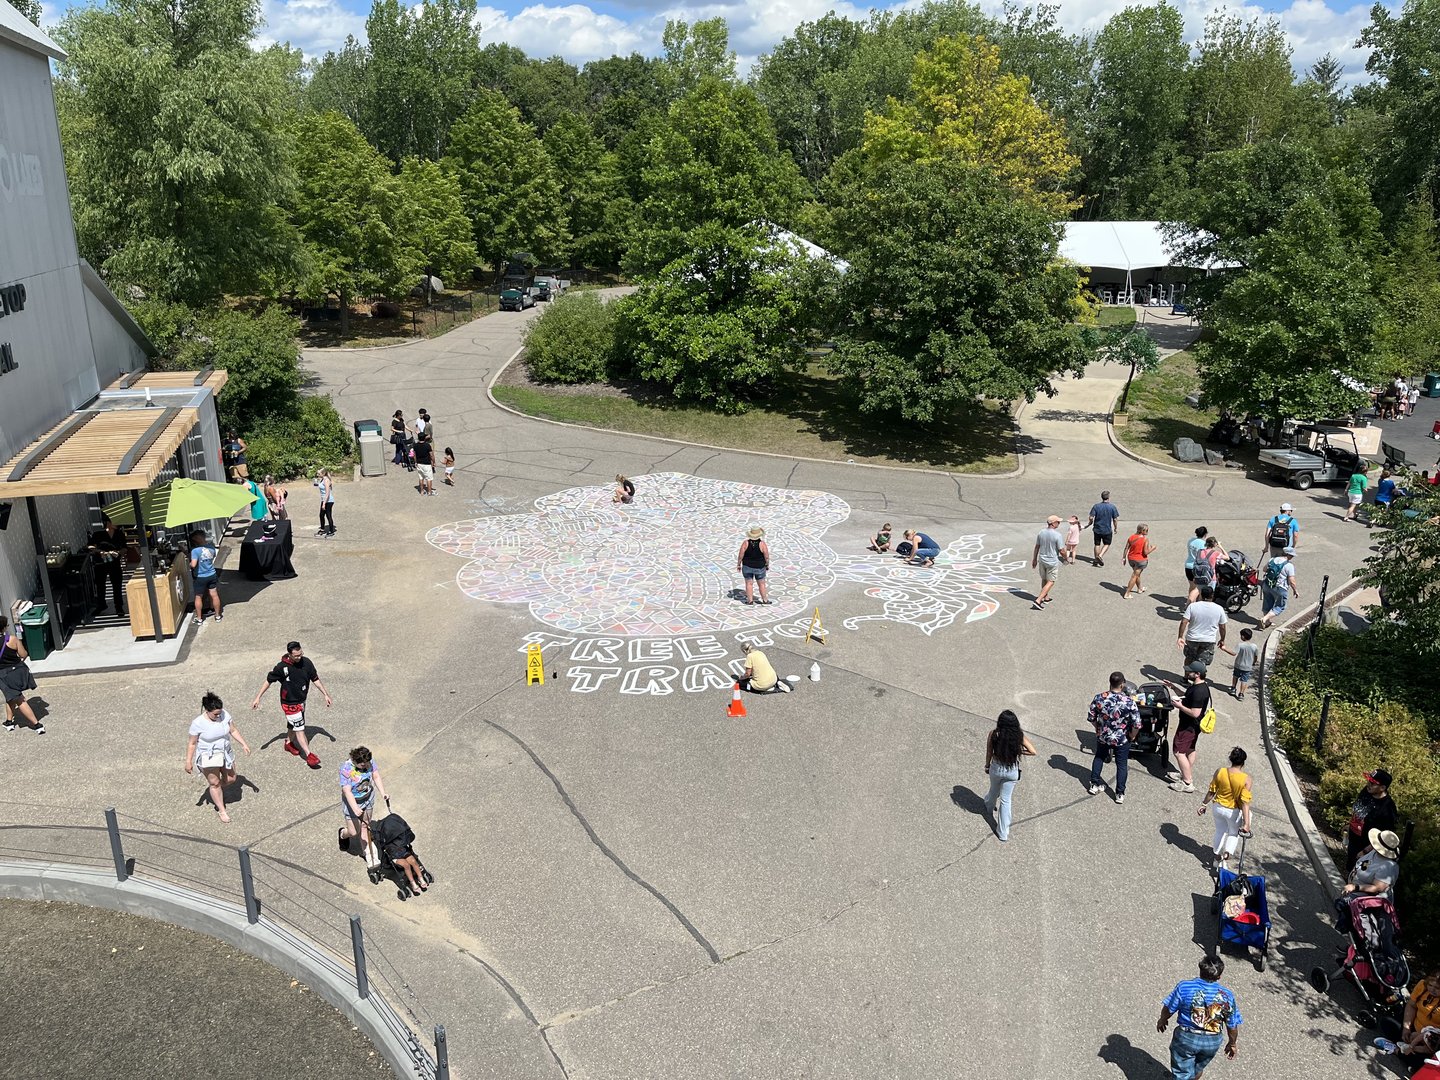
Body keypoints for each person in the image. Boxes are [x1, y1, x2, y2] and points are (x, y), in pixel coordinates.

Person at [1157, 955, 1242, 1080]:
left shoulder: (1184, 987)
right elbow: (1232, 1025)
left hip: (1186, 1038)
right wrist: (1232, 1043)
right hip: (1212, 1042)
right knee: (1197, 1069)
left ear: (1200, 970)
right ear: (1219, 976)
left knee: (1181, 1074)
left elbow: (1169, 1009)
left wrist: (1163, 1019)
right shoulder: (1227, 996)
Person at [252, 640, 332, 769]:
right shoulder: (281, 667)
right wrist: (258, 697)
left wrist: (325, 694)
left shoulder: (307, 662)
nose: (299, 657)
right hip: (289, 703)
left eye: (301, 654)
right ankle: (309, 755)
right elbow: (268, 681)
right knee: (300, 729)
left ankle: (288, 743)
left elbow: (315, 679)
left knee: (293, 724)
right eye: (296, 656)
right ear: (289, 654)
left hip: (301, 700)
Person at [184, 691, 251, 823]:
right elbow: (192, 743)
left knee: (232, 778)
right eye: (215, 714)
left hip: (225, 752)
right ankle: (221, 809)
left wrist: (243, 744)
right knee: (214, 783)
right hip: (209, 755)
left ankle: (216, 790)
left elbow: (233, 730)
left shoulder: (224, 715)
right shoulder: (198, 723)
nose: (218, 715)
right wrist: (188, 761)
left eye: (219, 713)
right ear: (207, 710)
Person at [983, 709, 1036, 842]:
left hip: (996, 767)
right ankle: (1003, 833)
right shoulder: (1019, 736)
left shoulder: (994, 734)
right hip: (1012, 770)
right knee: (1006, 800)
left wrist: (987, 766)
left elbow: (989, 752)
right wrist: (1020, 751)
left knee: (994, 790)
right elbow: (1033, 751)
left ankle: (988, 807)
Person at [1088, 671, 1140, 803]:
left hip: (1103, 736)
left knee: (1099, 757)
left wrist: (1098, 728)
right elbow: (1136, 724)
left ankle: (1094, 785)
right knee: (1121, 765)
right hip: (1122, 738)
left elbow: (1091, 717)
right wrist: (1132, 736)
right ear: (1122, 684)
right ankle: (1119, 793)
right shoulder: (1129, 702)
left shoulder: (1100, 698)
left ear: (1110, 682)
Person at [1199, 747, 1252, 867]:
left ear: (1230, 759)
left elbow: (1211, 791)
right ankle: (1226, 856)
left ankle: (1216, 857)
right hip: (1233, 811)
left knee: (1220, 831)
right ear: (1243, 762)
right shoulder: (1246, 779)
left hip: (1218, 807)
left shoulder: (1220, 771)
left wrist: (1203, 804)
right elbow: (1244, 802)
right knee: (1233, 833)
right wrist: (1246, 823)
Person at [1373, 968, 1440, 1063]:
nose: (1432, 989)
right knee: (1386, 1021)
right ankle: (1404, 1049)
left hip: (1429, 1040)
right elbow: (1411, 1005)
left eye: (1437, 988)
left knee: (1425, 1060)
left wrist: (1419, 1038)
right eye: (1430, 985)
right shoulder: (1422, 985)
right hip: (1413, 1025)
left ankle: (1398, 1050)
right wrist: (1406, 1028)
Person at [1165, 661, 1212, 793]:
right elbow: (1187, 696)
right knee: (1190, 749)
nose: (1186, 673)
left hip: (1188, 726)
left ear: (1197, 674)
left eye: (1190, 672)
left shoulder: (1199, 692)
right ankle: (1185, 773)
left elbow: (1195, 713)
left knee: (1179, 752)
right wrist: (1173, 687)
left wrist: (1179, 706)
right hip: (1194, 727)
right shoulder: (1199, 686)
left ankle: (1187, 782)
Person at [338, 746, 387, 870]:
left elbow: (376, 776)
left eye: (367, 764)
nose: (366, 766)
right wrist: (355, 808)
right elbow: (347, 791)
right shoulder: (346, 769)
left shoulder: (369, 761)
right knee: (354, 831)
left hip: (367, 799)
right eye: (362, 765)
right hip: (353, 802)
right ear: (355, 761)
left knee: (365, 826)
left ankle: (370, 856)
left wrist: (383, 793)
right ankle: (343, 834)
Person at [1344, 768, 1397, 874]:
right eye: (1369, 781)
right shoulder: (1366, 791)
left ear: (1382, 787)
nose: (1369, 784)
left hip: (1365, 848)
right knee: (1349, 867)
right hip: (1353, 839)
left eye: (1373, 783)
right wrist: (1349, 825)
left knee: (1359, 873)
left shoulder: (1387, 809)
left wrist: (1365, 851)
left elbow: (1384, 836)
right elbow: (1358, 810)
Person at [0, 616, 43, 734]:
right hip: (17, 671)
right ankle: (9, 721)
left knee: (19, 699)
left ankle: (37, 725)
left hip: (3, 676)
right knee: (11, 697)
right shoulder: (12, 639)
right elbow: (24, 654)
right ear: (4, 628)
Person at [87, 514, 129, 615]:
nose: (117, 525)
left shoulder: (120, 534)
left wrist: (119, 553)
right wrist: (101, 552)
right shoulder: (98, 534)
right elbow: (90, 547)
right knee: (100, 585)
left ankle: (119, 607)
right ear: (108, 523)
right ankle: (101, 605)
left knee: (117, 585)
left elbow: (124, 547)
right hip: (101, 563)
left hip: (114, 562)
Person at [1178, 585, 1227, 668]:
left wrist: (1180, 636)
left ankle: (1186, 677)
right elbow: (1222, 627)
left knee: (1189, 658)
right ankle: (1199, 678)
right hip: (1208, 640)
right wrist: (1222, 639)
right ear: (1212, 595)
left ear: (1200, 595)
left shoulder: (1192, 606)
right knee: (1203, 661)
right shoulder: (1219, 609)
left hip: (1192, 638)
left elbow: (1184, 622)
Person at [1344, 828, 1401, 898]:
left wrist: (1355, 887)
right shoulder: (1377, 851)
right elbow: (1371, 846)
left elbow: (1378, 888)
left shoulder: (1388, 866)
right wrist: (1364, 851)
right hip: (1353, 890)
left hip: (1363, 900)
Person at [1258, 547, 1298, 629]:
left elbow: (1264, 569)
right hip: (1280, 587)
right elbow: (1291, 580)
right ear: (1288, 555)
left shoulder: (1272, 560)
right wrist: (1295, 590)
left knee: (1267, 602)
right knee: (1280, 606)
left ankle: (1267, 622)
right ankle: (1265, 619)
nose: (1292, 557)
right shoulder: (1289, 565)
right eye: (1292, 555)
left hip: (1267, 584)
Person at [188, 529, 222, 625]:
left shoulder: (195, 550)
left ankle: (199, 618)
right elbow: (212, 557)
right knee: (214, 594)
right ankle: (218, 615)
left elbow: (193, 565)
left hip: (200, 577)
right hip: (211, 574)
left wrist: (189, 563)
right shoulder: (211, 547)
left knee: (198, 597)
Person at [1030, 516, 1064, 610]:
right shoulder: (1057, 535)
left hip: (1042, 560)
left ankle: (1046, 597)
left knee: (1044, 579)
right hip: (1052, 561)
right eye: (1058, 522)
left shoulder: (1041, 532)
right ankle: (1038, 600)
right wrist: (1066, 558)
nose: (1059, 523)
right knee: (1051, 581)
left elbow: (1037, 546)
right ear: (1053, 523)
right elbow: (1062, 550)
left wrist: (1034, 559)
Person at [1220, 628, 1258, 701]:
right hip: (1248, 667)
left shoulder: (1240, 645)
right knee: (1244, 680)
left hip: (1238, 665)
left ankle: (1233, 688)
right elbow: (1255, 656)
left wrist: (1224, 649)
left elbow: (1233, 653)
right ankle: (1241, 693)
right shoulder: (1254, 646)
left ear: (1243, 636)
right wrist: (1253, 662)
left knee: (1235, 676)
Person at [737, 525, 771, 604]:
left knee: (749, 583)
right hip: (759, 567)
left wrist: (738, 564)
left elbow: (740, 555)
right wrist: (767, 564)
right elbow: (766, 556)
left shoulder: (745, 543)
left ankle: (750, 600)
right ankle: (765, 600)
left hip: (747, 566)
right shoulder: (762, 544)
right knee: (761, 584)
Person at [1086, 490, 1121, 566]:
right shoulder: (1112, 507)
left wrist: (1090, 522)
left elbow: (1091, 517)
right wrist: (1115, 528)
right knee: (1107, 543)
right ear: (1108, 498)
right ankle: (1100, 556)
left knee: (1097, 544)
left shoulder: (1096, 506)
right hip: (1107, 529)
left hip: (1097, 528)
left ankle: (1096, 559)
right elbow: (1115, 519)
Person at [1122, 524, 1155, 600]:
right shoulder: (1145, 539)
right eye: (1146, 530)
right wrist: (1153, 548)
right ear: (1142, 531)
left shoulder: (1131, 537)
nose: (1147, 532)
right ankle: (1127, 593)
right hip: (1140, 560)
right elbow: (1146, 552)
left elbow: (1126, 547)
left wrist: (1124, 558)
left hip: (1131, 559)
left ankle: (1140, 588)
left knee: (1137, 574)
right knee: (1134, 575)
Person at [1188, 535, 1223, 605]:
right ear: (1214, 544)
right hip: (1210, 577)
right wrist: (1220, 546)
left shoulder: (1200, 551)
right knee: (1209, 594)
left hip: (1199, 574)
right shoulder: (1215, 553)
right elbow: (1227, 557)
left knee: (1198, 591)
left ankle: (1188, 604)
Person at [316, 468, 336, 537]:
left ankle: (331, 531)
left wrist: (324, 503)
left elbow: (327, 493)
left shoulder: (326, 480)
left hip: (328, 501)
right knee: (321, 515)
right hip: (324, 500)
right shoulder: (322, 479)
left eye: (319, 473)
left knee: (328, 515)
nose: (317, 475)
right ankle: (322, 529)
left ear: (323, 474)